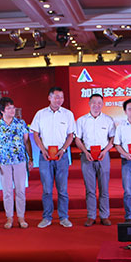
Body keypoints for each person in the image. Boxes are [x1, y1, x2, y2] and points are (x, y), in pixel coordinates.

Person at [30, 86, 75, 228]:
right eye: (56, 97)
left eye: (61, 97)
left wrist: (63, 149)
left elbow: (70, 135)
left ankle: (64, 217)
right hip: (45, 156)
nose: (59, 100)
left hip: (62, 156)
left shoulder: (68, 114)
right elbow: (35, 134)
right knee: (47, 190)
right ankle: (47, 217)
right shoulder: (40, 114)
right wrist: (42, 150)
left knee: (63, 190)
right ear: (49, 98)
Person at [0, 97, 33, 229]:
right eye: (9, 108)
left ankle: (21, 217)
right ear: (2, 111)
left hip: (20, 161)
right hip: (4, 162)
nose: (12, 110)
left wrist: (31, 158)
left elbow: (27, 142)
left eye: (13, 107)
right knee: (7, 191)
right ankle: (9, 217)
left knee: (20, 190)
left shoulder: (21, 123)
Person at [74, 94, 115, 227]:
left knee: (104, 188)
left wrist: (105, 151)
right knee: (90, 189)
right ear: (89, 103)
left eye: (99, 103)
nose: (96, 105)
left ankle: (104, 215)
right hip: (87, 156)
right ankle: (91, 216)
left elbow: (112, 139)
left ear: (102, 104)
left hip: (103, 155)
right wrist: (85, 152)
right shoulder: (81, 120)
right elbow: (77, 139)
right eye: (94, 102)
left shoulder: (108, 120)